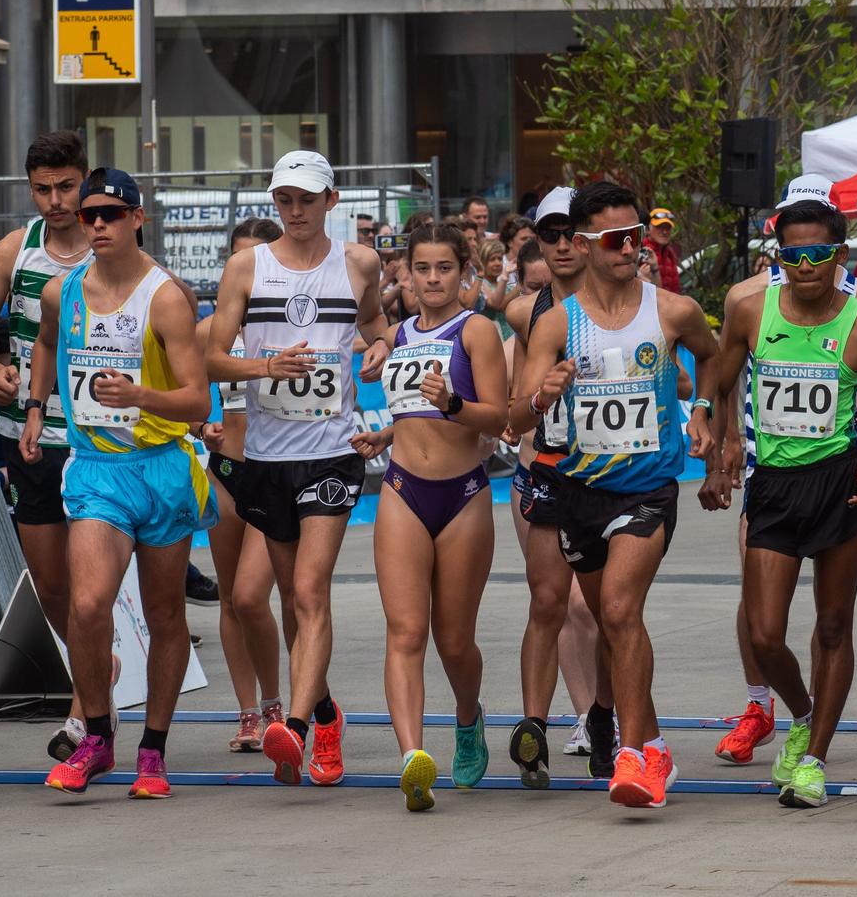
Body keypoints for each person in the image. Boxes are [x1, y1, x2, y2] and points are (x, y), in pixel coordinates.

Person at [509, 181, 720, 809]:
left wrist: (704, 411)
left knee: (622, 611)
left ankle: (633, 755)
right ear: (581, 245)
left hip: (649, 489)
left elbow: (714, 358)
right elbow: (517, 419)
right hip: (578, 491)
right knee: (611, 623)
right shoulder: (554, 323)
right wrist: (544, 394)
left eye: (637, 235)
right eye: (617, 239)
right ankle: (654, 748)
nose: (634, 247)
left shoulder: (672, 310)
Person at [25, 169, 215, 797]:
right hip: (96, 470)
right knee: (87, 605)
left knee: (165, 613)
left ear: (138, 218)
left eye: (110, 213)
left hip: (160, 468)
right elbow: (47, 343)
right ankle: (100, 736)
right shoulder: (62, 291)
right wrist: (35, 405)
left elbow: (196, 402)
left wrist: (140, 395)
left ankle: (153, 749)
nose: (98, 224)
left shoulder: (165, 298)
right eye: (89, 216)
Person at [205, 151, 392, 787]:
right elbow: (211, 357)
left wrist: (380, 349)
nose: (296, 210)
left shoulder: (359, 262)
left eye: (307, 199)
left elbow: (374, 323)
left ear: (331, 201)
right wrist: (263, 368)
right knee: (289, 599)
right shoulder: (246, 267)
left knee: (310, 592)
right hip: (266, 456)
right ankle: (329, 716)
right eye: (285, 199)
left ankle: (300, 728)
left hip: (332, 450)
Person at [691, 195, 857, 808]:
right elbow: (720, 380)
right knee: (765, 632)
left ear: (840, 255)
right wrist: (716, 444)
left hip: (838, 481)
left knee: (832, 626)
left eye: (817, 254)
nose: (805, 266)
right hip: (771, 483)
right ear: (779, 256)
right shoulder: (751, 311)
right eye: (793, 254)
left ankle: (814, 759)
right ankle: (800, 714)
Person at [349, 222, 508, 810]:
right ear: (406, 273)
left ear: (463, 272)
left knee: (455, 641)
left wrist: (454, 404)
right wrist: (388, 432)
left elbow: (497, 420)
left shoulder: (477, 332)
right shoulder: (396, 334)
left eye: (445, 268)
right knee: (406, 631)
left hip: (463, 494)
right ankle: (413, 759)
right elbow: (413, 406)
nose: (433, 279)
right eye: (422, 268)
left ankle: (468, 719)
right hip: (401, 489)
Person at [0, 130, 95, 762]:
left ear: (84, 179)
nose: (55, 201)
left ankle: (83, 712)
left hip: (101, 444)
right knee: (51, 588)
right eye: (42, 189)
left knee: (95, 582)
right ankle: (97, 677)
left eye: (66, 186)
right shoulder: (14, 251)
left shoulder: (112, 248)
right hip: (30, 438)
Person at [502, 187, 606, 780]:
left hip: (611, 477)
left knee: (604, 608)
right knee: (552, 602)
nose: (563, 246)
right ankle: (548, 725)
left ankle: (608, 719)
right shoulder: (526, 312)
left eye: (574, 234)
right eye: (551, 235)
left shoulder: (627, 303)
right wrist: (538, 399)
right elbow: (516, 406)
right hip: (540, 468)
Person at [199, 217, 290, 753]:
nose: (248, 270)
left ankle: (280, 702)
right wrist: (197, 425)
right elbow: (186, 389)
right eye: (239, 260)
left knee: (257, 598)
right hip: (226, 471)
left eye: (258, 260)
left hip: (277, 470)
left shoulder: (291, 323)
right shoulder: (210, 330)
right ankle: (248, 713)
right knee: (231, 599)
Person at [645, 206, 684, 293]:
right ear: (647, 229)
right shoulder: (642, 252)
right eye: (659, 227)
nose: (665, 231)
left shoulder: (670, 253)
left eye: (668, 227)